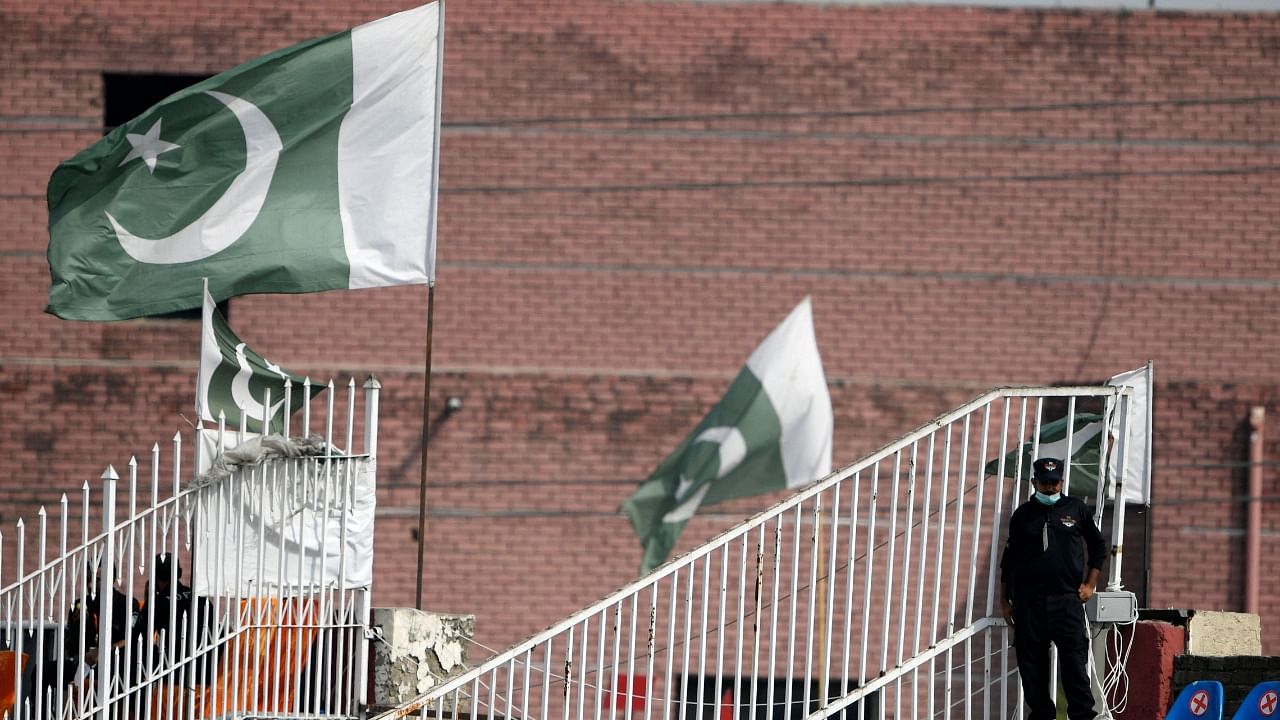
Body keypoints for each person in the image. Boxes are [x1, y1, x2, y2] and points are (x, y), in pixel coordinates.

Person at [1000, 457, 1107, 720]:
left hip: (1066, 601)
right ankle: (1042, 715)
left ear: (1062, 482)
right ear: (1034, 482)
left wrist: (1090, 583)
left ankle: (1082, 716)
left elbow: (1098, 548)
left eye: (1055, 482)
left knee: (1074, 665)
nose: (1050, 488)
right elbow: (1009, 562)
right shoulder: (1022, 515)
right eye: (1045, 483)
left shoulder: (1076, 509)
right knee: (1032, 668)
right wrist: (1005, 601)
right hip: (1029, 602)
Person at [142, 553, 216, 686]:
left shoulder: (156, 603)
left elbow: (139, 638)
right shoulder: (202, 600)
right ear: (179, 573)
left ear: (154, 576)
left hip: (173, 674)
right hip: (205, 674)